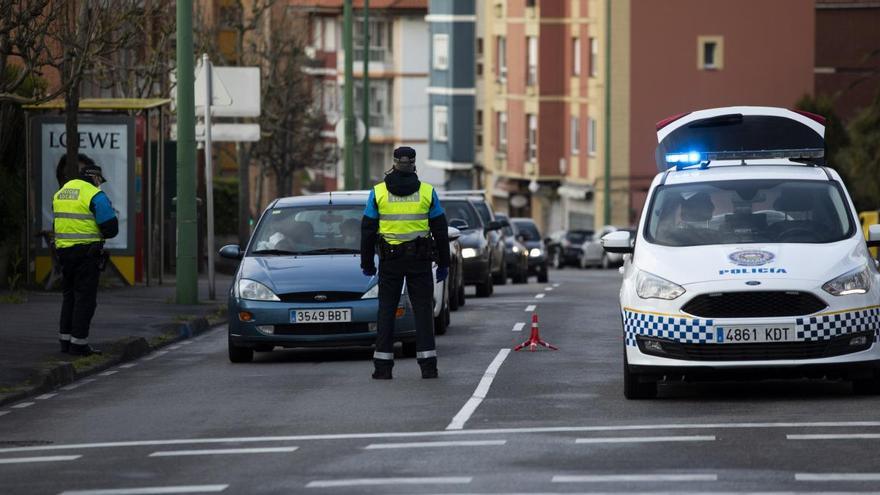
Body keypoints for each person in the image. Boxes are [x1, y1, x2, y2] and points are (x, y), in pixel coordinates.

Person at [361, 146, 450, 379]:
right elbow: (440, 231)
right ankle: (428, 367)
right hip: (419, 260)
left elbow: (368, 230)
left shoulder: (378, 192)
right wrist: (444, 263)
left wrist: (367, 262)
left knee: (386, 311)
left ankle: (383, 368)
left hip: (390, 261)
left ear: (394, 163)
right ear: (413, 163)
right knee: (423, 311)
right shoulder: (428, 192)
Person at [53, 154, 119, 356]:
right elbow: (110, 227)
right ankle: (79, 344)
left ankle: (65, 341)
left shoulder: (62, 192)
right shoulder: (94, 194)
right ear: (96, 177)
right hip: (86, 253)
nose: (100, 184)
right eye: (100, 180)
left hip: (63, 251)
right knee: (85, 299)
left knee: (69, 296)